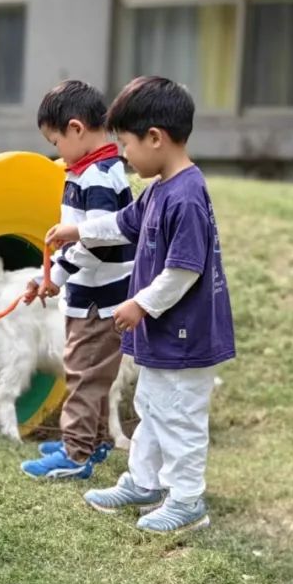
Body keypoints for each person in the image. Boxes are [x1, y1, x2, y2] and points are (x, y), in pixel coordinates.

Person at [47, 77, 235, 533]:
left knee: (180, 418)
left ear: (155, 138)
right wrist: (76, 231)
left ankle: (188, 500)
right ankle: (144, 481)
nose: (123, 154)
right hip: (163, 334)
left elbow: (183, 271)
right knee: (152, 407)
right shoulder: (158, 189)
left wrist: (139, 305)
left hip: (187, 337)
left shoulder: (186, 196)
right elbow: (122, 224)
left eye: (127, 144)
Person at [18, 80, 134, 481]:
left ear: (76, 129)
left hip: (99, 298)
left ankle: (76, 452)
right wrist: (47, 276)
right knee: (95, 373)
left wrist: (59, 275)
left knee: (83, 372)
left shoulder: (98, 177)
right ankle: (94, 439)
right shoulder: (96, 168)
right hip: (96, 292)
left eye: (55, 141)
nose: (57, 151)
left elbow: (98, 240)